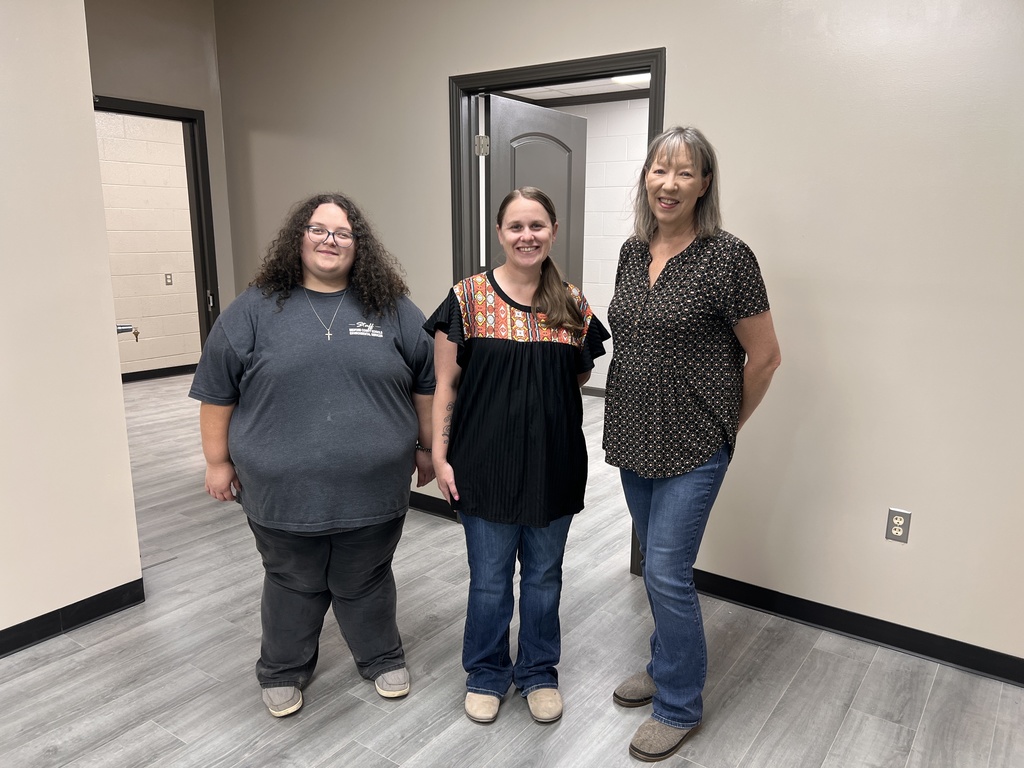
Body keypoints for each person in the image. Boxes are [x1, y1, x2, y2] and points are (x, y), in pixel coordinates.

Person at [189, 192, 435, 718]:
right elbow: (216, 391)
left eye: (343, 233)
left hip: (373, 489)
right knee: (292, 580)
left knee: (365, 576)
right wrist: (216, 461)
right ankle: (283, 669)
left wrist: (428, 446)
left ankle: (380, 656)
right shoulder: (254, 308)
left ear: (359, 245)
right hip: (281, 491)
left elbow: (427, 381)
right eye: (318, 230)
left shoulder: (392, 308)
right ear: (297, 238)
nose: (330, 241)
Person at [603, 127, 782, 762]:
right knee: (655, 562)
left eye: (684, 172)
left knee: (667, 572)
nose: (669, 183)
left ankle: (678, 703)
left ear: (704, 184)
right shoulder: (632, 252)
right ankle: (664, 663)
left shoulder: (728, 257)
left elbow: (764, 358)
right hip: (632, 432)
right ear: (645, 178)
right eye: (659, 170)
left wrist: (725, 428)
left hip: (694, 443)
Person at [426, 187, 609, 725]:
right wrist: (440, 457)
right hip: (482, 465)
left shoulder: (572, 305)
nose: (526, 236)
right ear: (500, 233)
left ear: (553, 230)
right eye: (515, 227)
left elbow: (575, 377)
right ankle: (485, 672)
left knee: (545, 578)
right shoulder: (466, 299)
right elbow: (445, 386)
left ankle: (537, 672)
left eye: (537, 226)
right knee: (488, 578)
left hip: (554, 465)